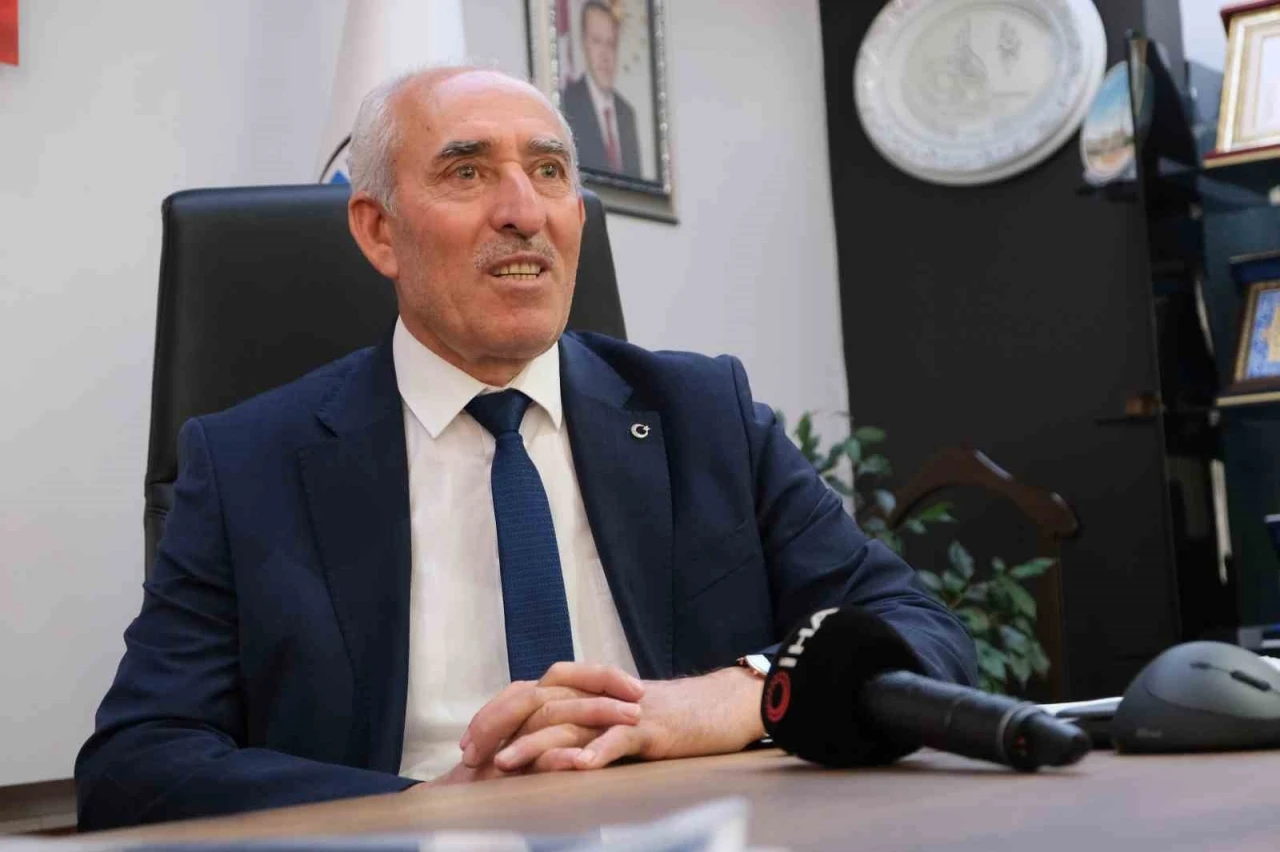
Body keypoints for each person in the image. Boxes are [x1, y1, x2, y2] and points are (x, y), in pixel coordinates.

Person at [74, 66, 976, 830]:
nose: (523, 212)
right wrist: (421, 809)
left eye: (548, 171)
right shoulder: (250, 464)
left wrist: (728, 699)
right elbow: (137, 762)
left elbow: (924, 638)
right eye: (467, 172)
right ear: (379, 230)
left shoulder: (706, 416)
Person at [559, 0, 642, 178]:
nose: (605, 55)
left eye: (611, 43)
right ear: (584, 44)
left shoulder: (627, 114)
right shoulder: (567, 103)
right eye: (596, 41)